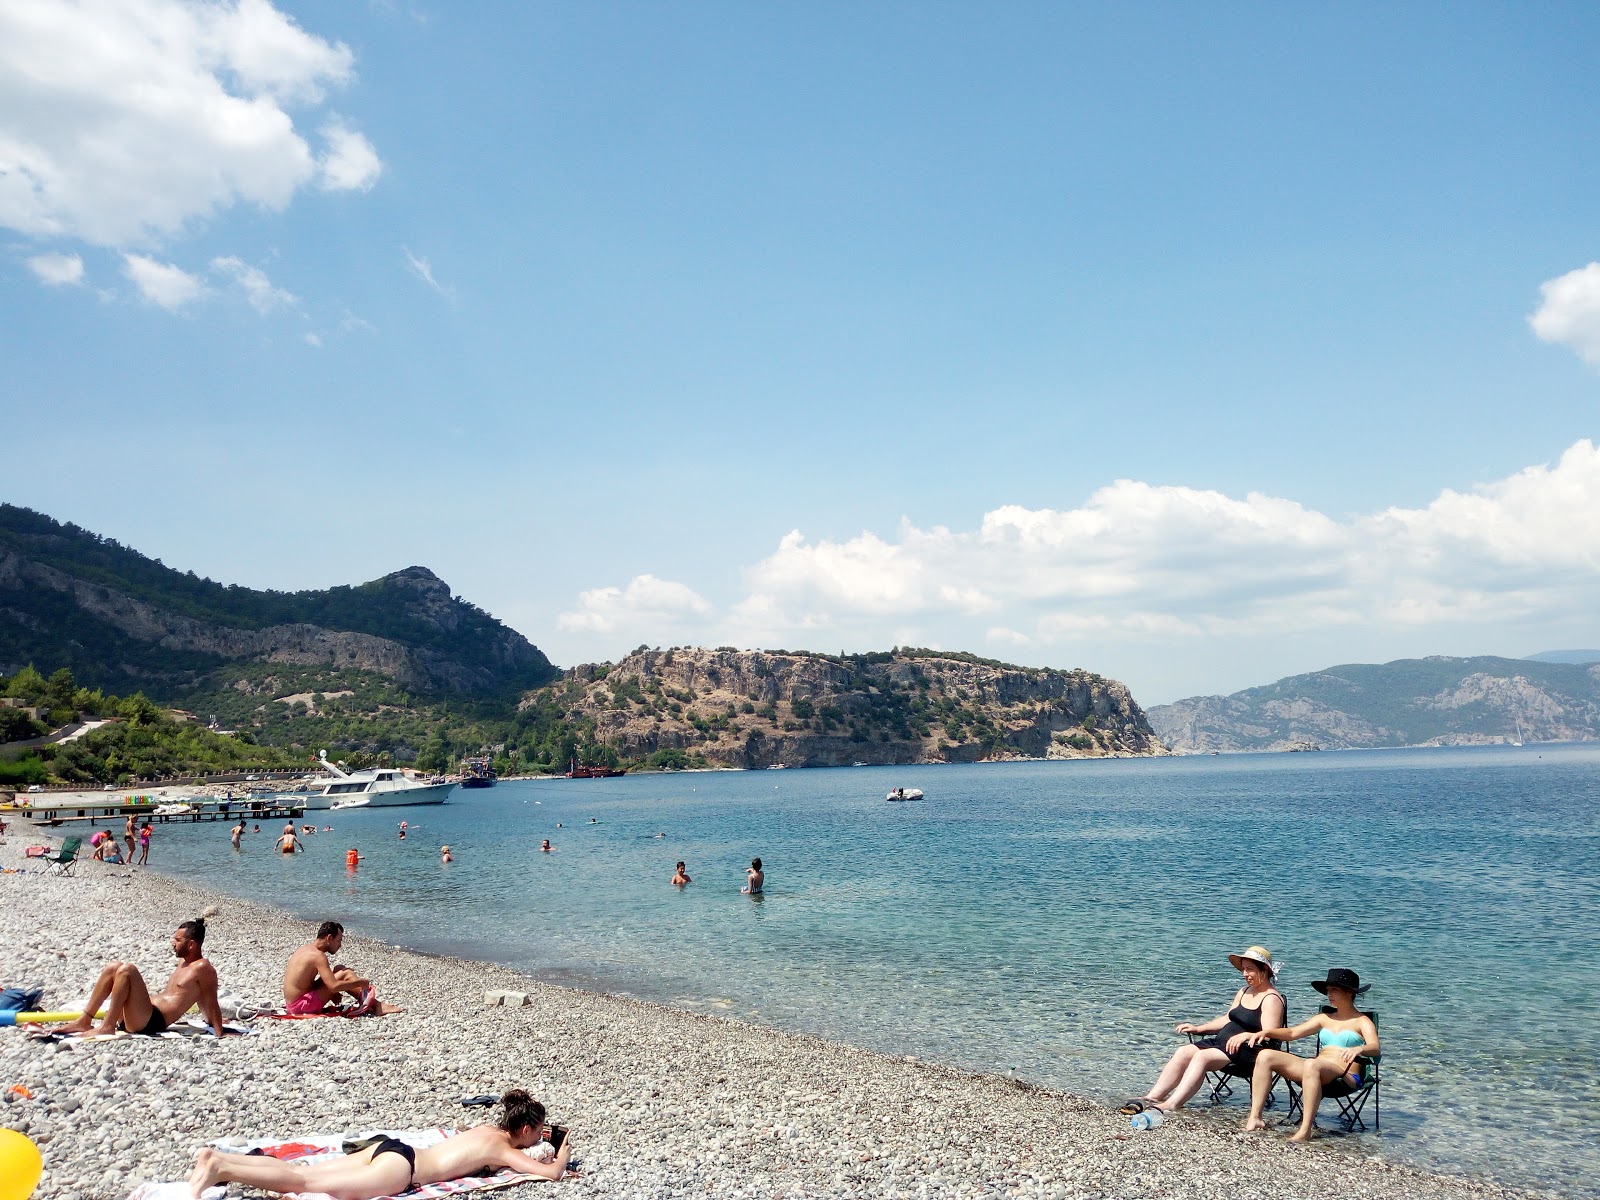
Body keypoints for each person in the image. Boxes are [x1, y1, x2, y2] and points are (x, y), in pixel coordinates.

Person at [186, 1089, 574, 1199]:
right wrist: (563, 1151)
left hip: (390, 1147)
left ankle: (217, 1157)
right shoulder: (503, 1150)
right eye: (538, 1132)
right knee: (304, 1184)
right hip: (403, 1171)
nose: (539, 1138)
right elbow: (551, 1174)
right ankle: (221, 1169)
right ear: (523, 1130)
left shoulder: (487, 1129)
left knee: (302, 1173)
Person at [1120, 945, 1285, 1115]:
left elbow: (1270, 1034)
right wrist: (1199, 1028)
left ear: (1264, 969)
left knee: (1201, 1056)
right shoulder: (1244, 991)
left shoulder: (1271, 998)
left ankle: (1173, 1103)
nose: (1244, 974)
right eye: (1243, 969)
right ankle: (1154, 1097)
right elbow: (1228, 1019)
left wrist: (1245, 1036)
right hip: (1223, 1043)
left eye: (1249, 970)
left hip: (1250, 1051)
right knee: (1183, 1051)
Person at [1242, 967, 1381, 1141]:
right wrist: (1267, 1032)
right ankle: (1255, 1118)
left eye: (1334, 990)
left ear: (1349, 992)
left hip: (1347, 1076)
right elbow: (1293, 1033)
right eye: (1328, 990)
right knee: (1265, 1055)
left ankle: (1305, 1130)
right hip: (1315, 1070)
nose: (1329, 994)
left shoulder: (1362, 1021)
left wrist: (1360, 1049)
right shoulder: (1324, 1018)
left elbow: (1375, 1048)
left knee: (1311, 1064)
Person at [48, 917, 232, 1038]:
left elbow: (210, 999)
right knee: (114, 967)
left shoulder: (203, 968)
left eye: (177, 940)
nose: (172, 943)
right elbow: (200, 998)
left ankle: (107, 1026)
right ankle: (84, 1021)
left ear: (191, 944)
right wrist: (208, 1020)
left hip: (151, 1021)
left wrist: (219, 1030)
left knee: (128, 970)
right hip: (142, 1013)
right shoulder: (184, 963)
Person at [282, 921, 400, 1016]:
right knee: (345, 973)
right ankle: (376, 1006)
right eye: (338, 941)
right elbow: (333, 986)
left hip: (294, 1002)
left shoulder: (306, 949)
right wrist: (359, 982)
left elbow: (305, 983)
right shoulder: (318, 956)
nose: (340, 945)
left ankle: (372, 1004)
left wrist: (331, 994)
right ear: (329, 938)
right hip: (300, 1006)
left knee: (339, 969)